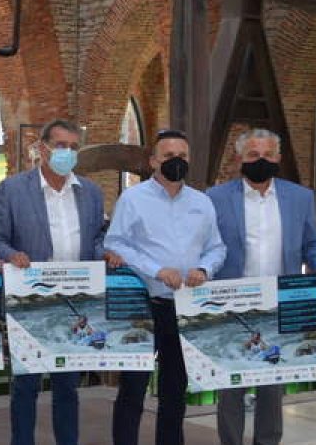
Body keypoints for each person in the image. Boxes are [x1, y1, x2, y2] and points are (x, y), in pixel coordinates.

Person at [206, 128, 316, 445]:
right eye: (253, 155)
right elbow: (206, 244)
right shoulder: (215, 198)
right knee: (231, 385)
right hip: (233, 303)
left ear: (278, 157)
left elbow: (313, 243)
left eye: (267, 154)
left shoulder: (300, 197)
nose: (260, 160)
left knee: (273, 383)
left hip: (282, 303)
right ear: (240, 158)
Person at [0, 120, 110, 445]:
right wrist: (11, 255)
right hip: (31, 301)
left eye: (73, 147)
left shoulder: (91, 192)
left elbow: (97, 239)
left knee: (68, 386)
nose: (67, 152)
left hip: (75, 303)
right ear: (42, 148)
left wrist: (106, 254)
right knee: (26, 385)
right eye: (60, 145)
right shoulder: (13, 189)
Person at [105, 128, 227, 445]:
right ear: (153, 161)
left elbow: (217, 247)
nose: (176, 161)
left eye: (182, 156)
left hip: (185, 308)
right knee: (133, 388)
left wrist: (204, 268)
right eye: (169, 155)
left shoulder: (202, 202)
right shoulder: (133, 199)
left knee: (175, 389)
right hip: (143, 306)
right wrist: (157, 270)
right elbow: (116, 243)